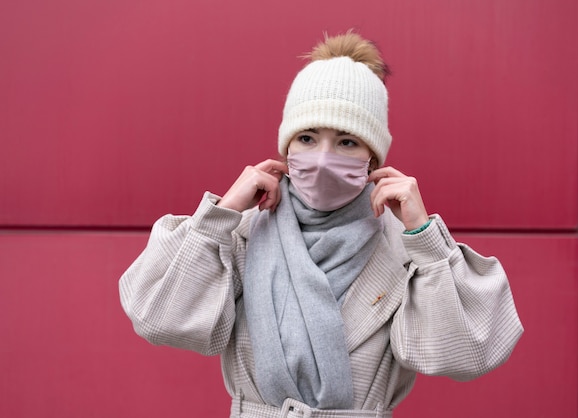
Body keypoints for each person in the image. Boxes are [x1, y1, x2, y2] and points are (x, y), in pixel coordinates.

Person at [119, 31, 523, 418]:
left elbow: (465, 354)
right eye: (308, 138)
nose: (324, 157)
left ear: (373, 158)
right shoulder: (242, 231)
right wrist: (219, 217)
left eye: (346, 141)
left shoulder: (406, 247)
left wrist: (426, 239)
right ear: (287, 146)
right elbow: (159, 320)